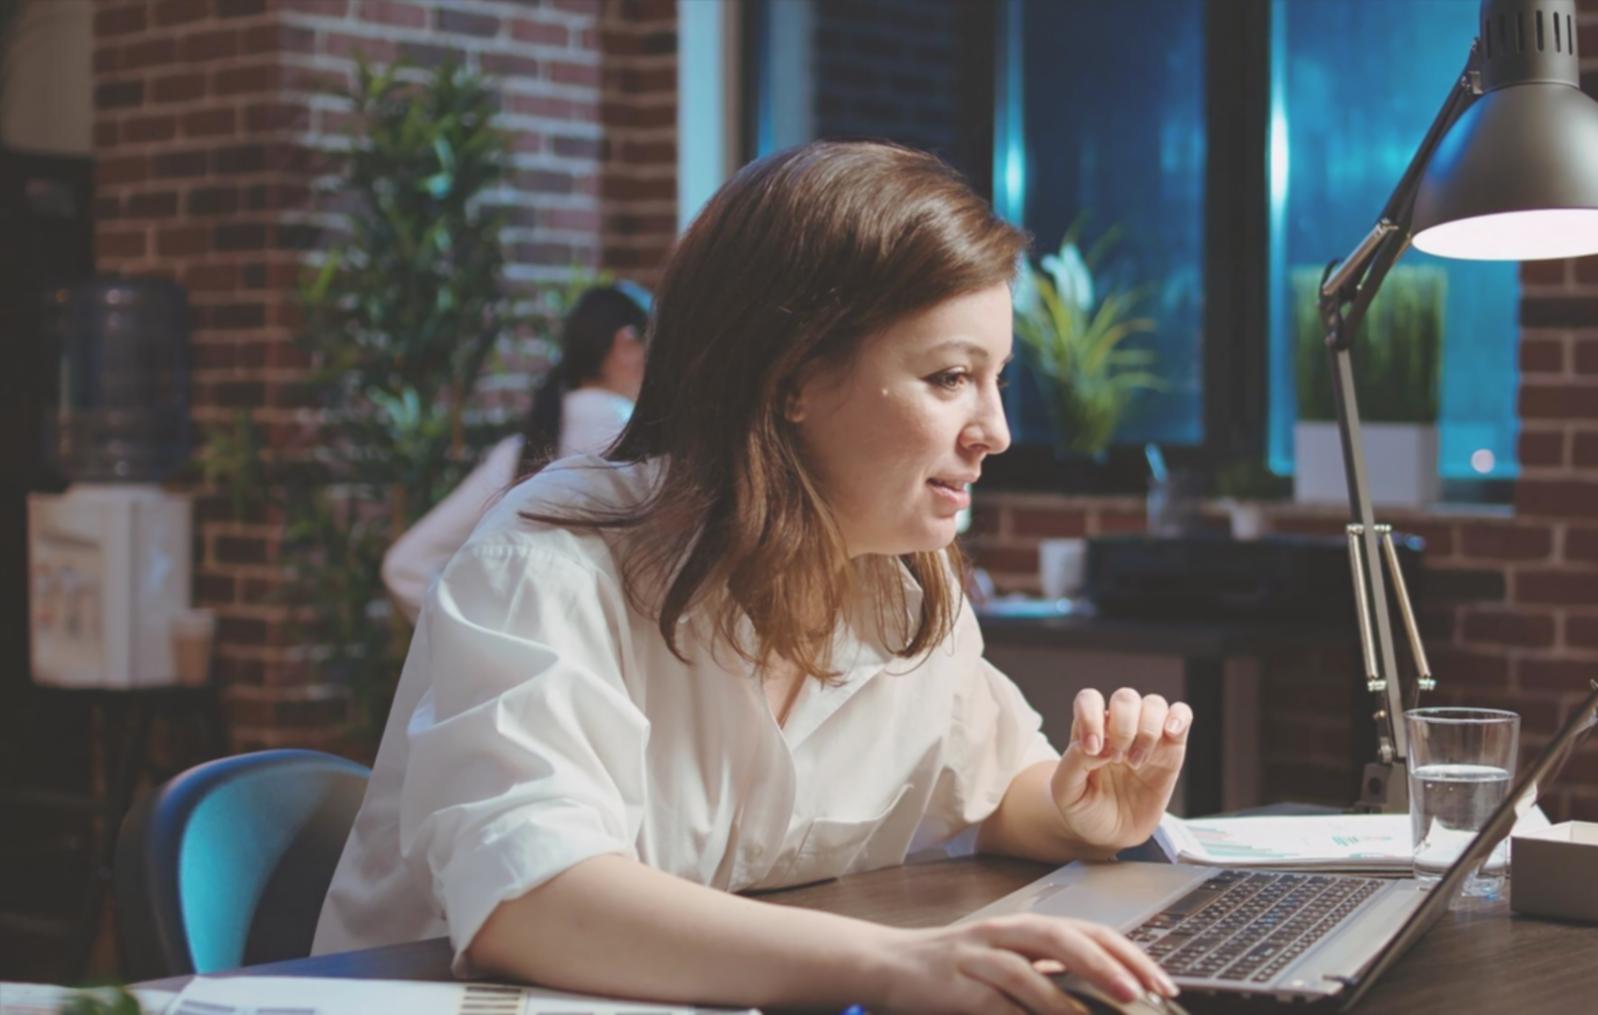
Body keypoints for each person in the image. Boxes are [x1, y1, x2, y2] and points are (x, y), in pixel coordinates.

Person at [315, 140, 1193, 1014]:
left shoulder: (902, 588)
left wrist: (1081, 811)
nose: (994, 430)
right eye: (950, 377)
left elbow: (995, 788)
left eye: (996, 379)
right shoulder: (549, 559)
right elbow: (530, 899)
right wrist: (896, 962)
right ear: (794, 378)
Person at [379, 285, 648, 620]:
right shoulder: (644, 448)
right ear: (626, 344)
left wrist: (486, 643)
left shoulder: (523, 450)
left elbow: (406, 566)